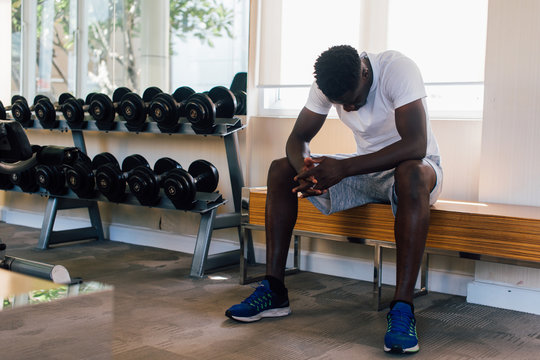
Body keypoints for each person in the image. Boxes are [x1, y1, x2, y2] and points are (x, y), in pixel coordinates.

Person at [225, 45, 443, 354]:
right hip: (366, 169)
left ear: (365, 73)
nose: (349, 109)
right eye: (343, 105)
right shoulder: (327, 82)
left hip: (416, 172)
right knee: (279, 170)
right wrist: (306, 171)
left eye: (353, 100)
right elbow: (298, 138)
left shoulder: (397, 69)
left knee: (410, 173)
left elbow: (416, 145)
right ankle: (274, 290)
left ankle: (403, 308)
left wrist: (343, 168)